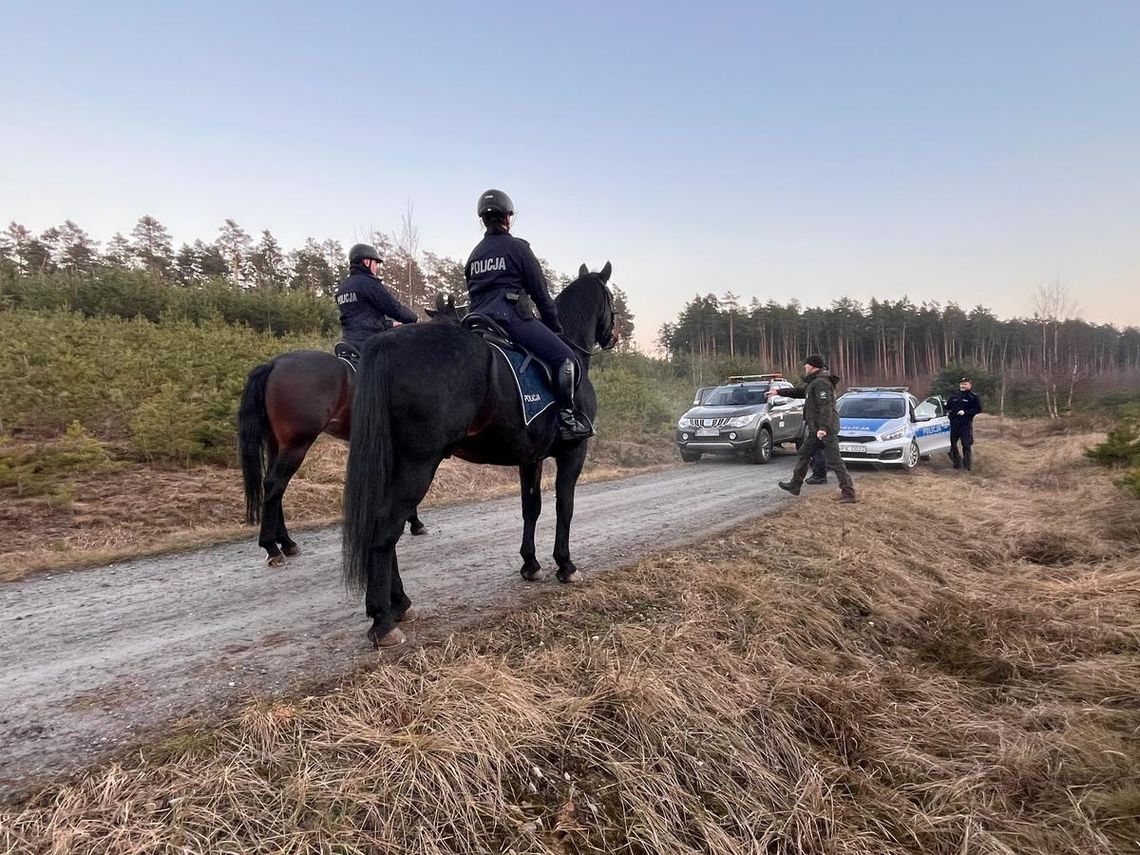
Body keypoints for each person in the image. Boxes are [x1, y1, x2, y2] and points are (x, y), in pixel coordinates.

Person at [464, 188, 592, 441]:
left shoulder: (474, 256)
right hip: (510, 317)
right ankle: (567, 419)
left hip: (478, 321)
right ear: (507, 217)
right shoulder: (517, 248)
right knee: (565, 357)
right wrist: (554, 326)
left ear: (483, 220)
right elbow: (540, 293)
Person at [767, 355, 856, 503]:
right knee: (804, 453)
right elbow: (802, 392)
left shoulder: (821, 382)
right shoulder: (814, 383)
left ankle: (849, 493)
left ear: (813, 366)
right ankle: (795, 485)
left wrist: (823, 428)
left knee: (835, 460)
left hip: (825, 429)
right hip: (816, 429)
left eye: (806, 365)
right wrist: (779, 392)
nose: (805, 367)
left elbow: (825, 407)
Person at [334, 243, 418, 355]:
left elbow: (359, 319)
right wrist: (413, 318)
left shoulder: (343, 287)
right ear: (367, 262)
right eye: (375, 263)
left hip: (348, 342)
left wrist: (390, 325)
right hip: (370, 342)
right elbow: (394, 309)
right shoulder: (369, 283)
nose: (376, 267)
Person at [945, 376, 982, 471]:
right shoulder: (953, 396)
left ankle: (967, 466)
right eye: (961, 384)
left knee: (966, 445)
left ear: (969, 385)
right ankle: (957, 463)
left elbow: (978, 409)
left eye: (965, 384)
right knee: (952, 445)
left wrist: (966, 412)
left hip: (965, 425)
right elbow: (948, 407)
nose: (963, 385)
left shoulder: (973, 397)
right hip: (954, 424)